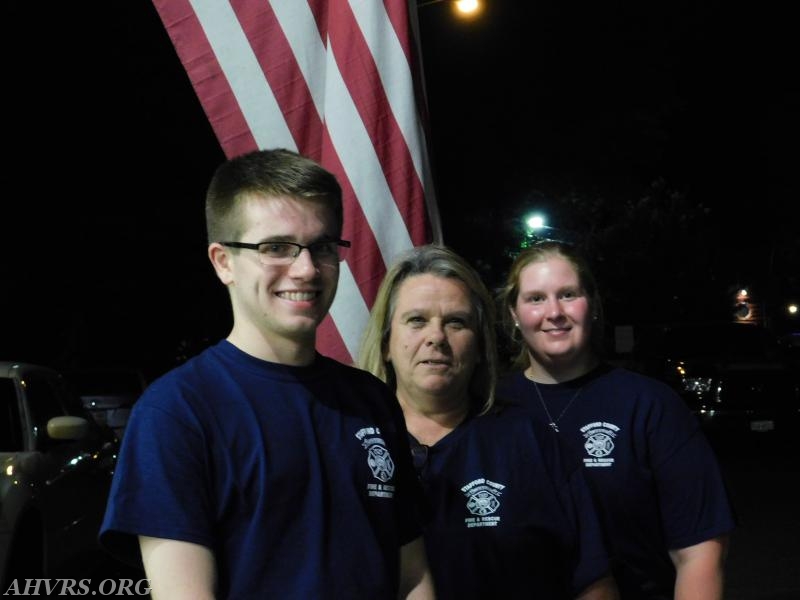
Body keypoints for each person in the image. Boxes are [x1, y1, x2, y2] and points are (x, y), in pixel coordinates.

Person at [99, 148, 435, 599]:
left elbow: (411, 574)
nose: (306, 268)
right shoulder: (176, 412)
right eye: (276, 247)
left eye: (322, 246)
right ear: (223, 262)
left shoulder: (370, 399)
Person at [357, 244, 618, 599]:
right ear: (387, 342)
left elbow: (594, 583)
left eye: (456, 322)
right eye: (417, 320)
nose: (436, 337)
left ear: (480, 346)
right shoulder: (352, 446)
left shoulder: (530, 442)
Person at [497, 241, 737, 600]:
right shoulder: (490, 407)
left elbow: (699, 553)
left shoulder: (649, 405)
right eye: (535, 299)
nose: (554, 312)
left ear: (591, 305)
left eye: (568, 294)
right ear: (514, 314)